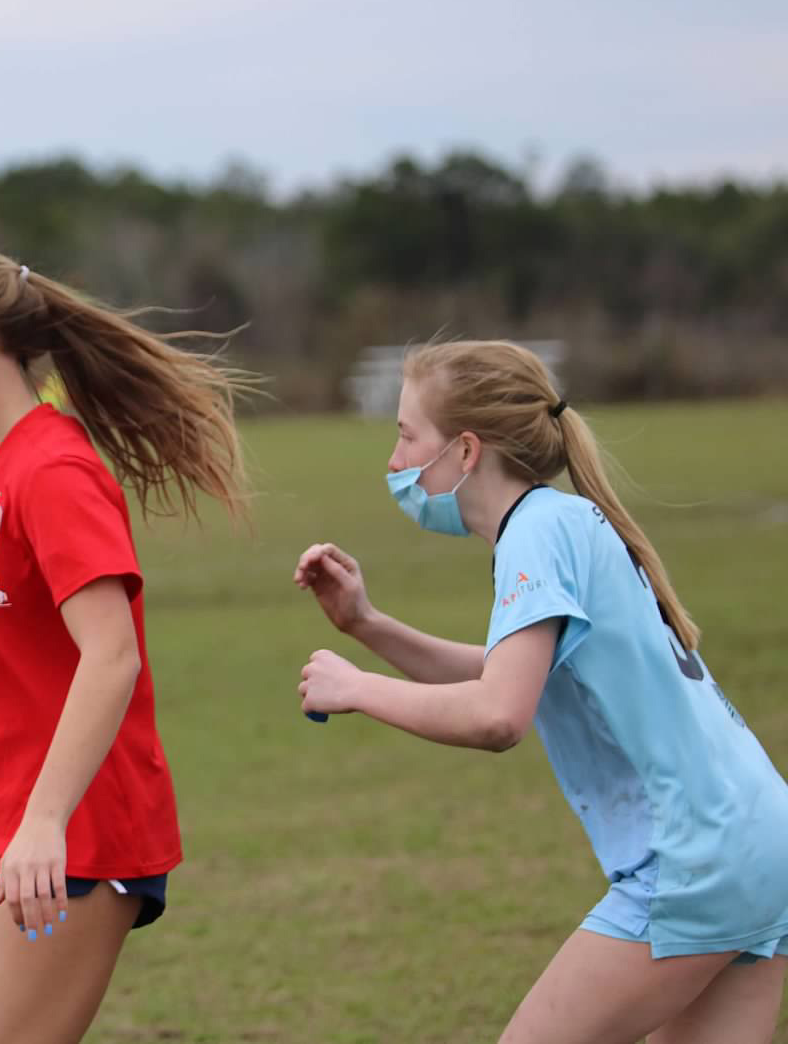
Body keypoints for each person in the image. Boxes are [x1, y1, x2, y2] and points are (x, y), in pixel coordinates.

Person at [293, 339, 788, 1044]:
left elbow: (499, 714)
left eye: (406, 437)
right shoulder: (562, 521)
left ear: (466, 452)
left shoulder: (534, 535)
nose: (394, 463)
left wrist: (358, 689)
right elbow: (509, 673)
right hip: (761, 840)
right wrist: (366, 626)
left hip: (698, 858)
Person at [0, 242, 252, 1044]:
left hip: (76, 834)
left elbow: (111, 655)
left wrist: (43, 816)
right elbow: (6, 661)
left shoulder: (53, 469)